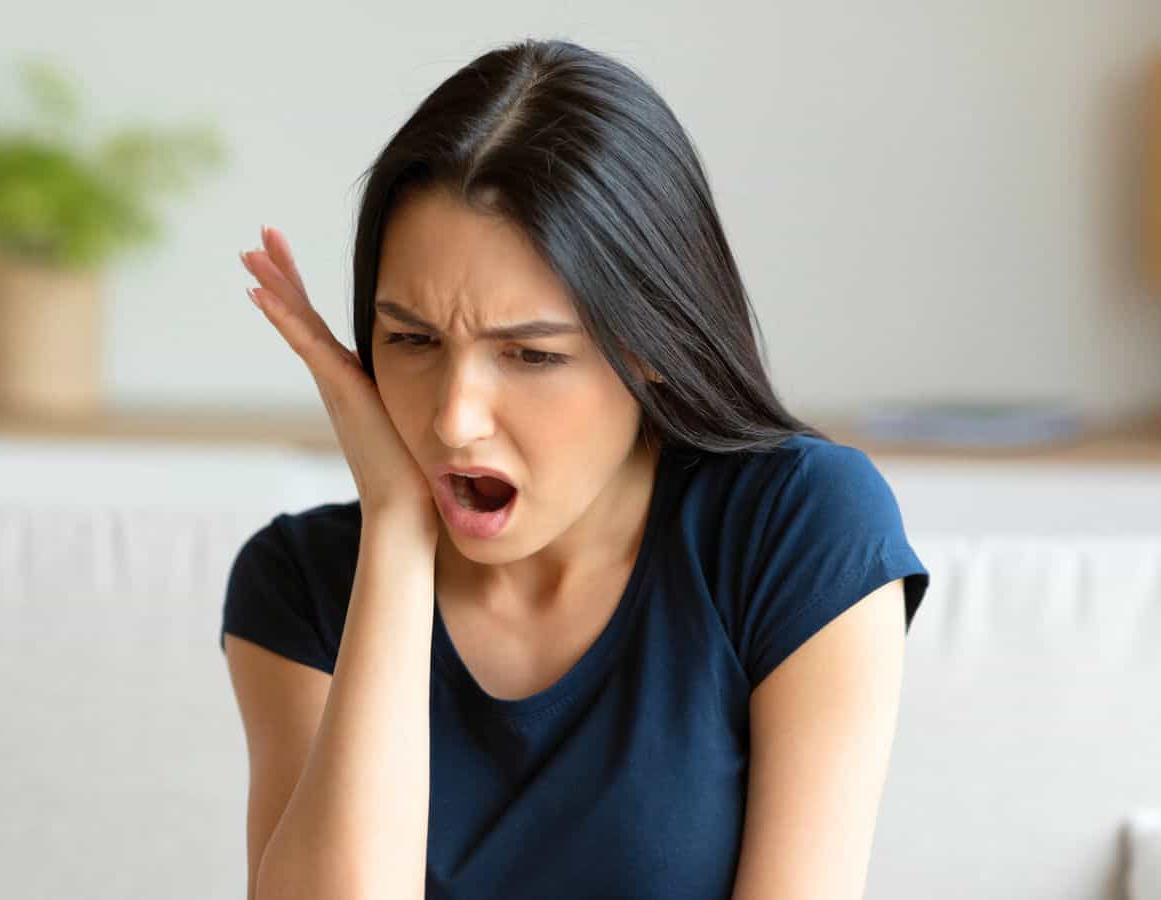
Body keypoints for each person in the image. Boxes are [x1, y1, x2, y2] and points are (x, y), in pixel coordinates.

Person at [220, 37, 930, 900]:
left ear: (652, 347)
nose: (453, 417)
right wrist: (398, 534)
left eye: (529, 355)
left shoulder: (798, 529)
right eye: (410, 340)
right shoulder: (300, 588)